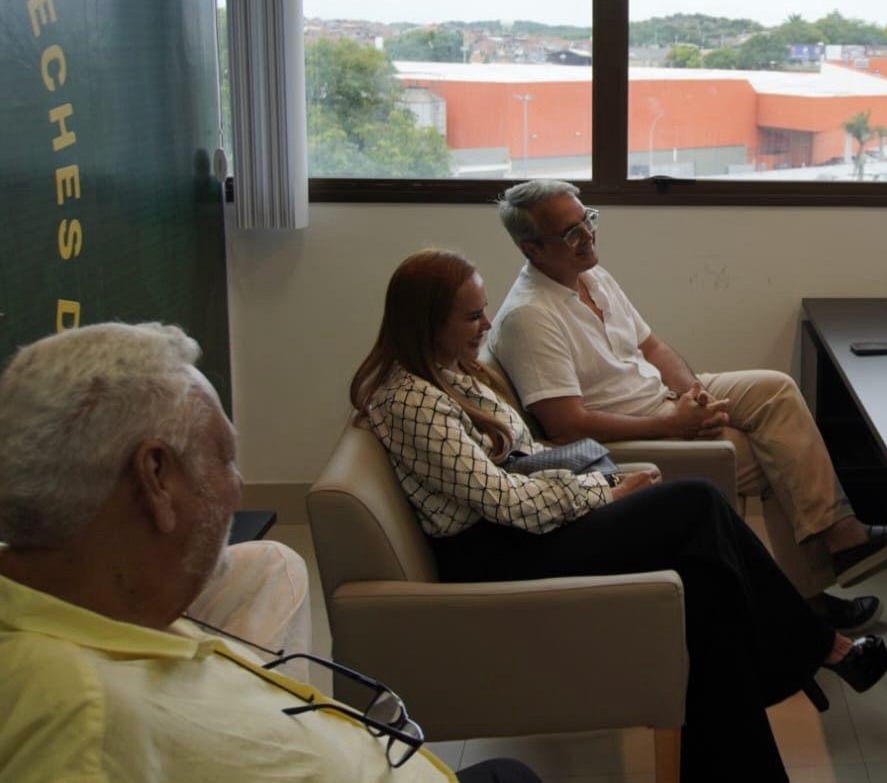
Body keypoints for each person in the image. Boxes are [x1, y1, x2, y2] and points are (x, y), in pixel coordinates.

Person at [350, 249, 887, 782]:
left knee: (706, 588)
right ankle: (815, 646)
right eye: (472, 316)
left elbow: (524, 462)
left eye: (484, 310)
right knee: (697, 504)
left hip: (528, 525)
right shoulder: (411, 402)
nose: (486, 325)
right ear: (426, 322)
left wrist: (602, 483)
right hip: (500, 554)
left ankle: (777, 706)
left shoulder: (449, 372)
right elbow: (505, 501)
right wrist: (604, 493)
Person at [0, 322, 541, 783]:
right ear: (156, 480)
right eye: (224, 458)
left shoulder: (87, 597)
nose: (237, 486)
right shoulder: (77, 729)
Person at [482, 179, 887, 633]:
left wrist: (696, 396)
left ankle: (841, 536)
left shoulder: (591, 276)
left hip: (665, 400)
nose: (588, 235)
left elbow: (653, 348)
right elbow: (566, 426)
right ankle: (804, 607)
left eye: (587, 220)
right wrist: (673, 425)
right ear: (531, 249)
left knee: (776, 390)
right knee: (770, 454)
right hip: (631, 433)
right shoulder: (530, 316)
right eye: (570, 232)